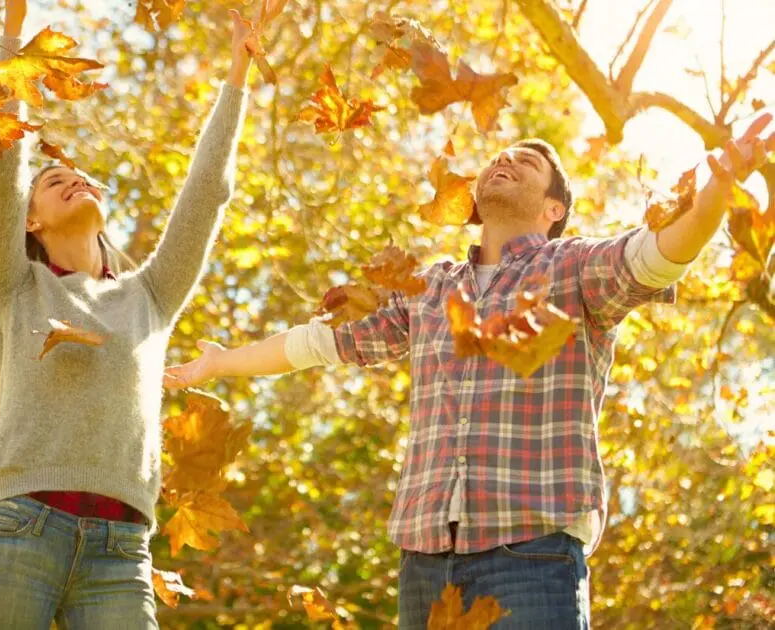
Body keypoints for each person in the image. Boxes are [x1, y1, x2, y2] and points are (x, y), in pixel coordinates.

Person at [165, 118, 773, 628]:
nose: (507, 159)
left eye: (529, 161)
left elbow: (655, 256)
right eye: (501, 156)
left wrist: (714, 195)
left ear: (554, 207)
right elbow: (319, 344)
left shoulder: (573, 268)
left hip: (533, 555)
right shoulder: (427, 287)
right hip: (426, 560)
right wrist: (220, 362)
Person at [0, 0, 285, 627]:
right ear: (32, 219)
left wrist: (237, 75)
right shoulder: (11, 287)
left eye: (81, 175)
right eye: (53, 181)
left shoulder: (149, 297)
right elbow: (2, 164)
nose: (73, 178)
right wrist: (13, 38)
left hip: (121, 552)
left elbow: (208, 193)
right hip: (21, 528)